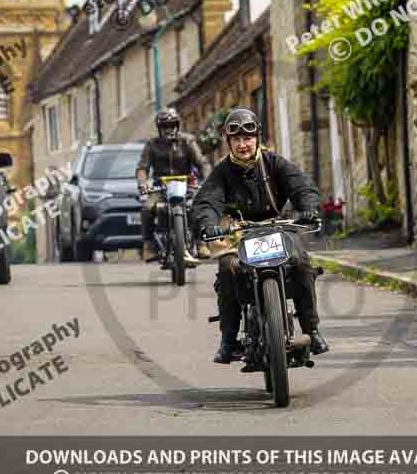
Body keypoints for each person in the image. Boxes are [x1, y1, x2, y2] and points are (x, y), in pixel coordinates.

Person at [191, 107, 330, 364]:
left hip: (278, 226)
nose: (243, 144)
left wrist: (308, 207)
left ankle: (312, 330)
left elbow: (302, 186)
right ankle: (228, 341)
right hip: (238, 232)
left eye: (248, 138)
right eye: (236, 139)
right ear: (229, 142)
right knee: (228, 267)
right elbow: (206, 203)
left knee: (301, 262)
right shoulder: (222, 172)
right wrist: (208, 224)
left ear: (257, 139)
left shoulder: (275, 163)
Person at [136, 108, 212, 263]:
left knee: (199, 205)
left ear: (177, 126)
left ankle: (201, 242)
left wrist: (206, 181)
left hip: (187, 185)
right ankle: (148, 245)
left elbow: (202, 163)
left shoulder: (188, 141)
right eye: (165, 126)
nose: (169, 129)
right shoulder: (152, 144)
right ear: (159, 128)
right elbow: (142, 167)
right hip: (161, 188)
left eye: (172, 125)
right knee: (147, 208)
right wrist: (143, 183)